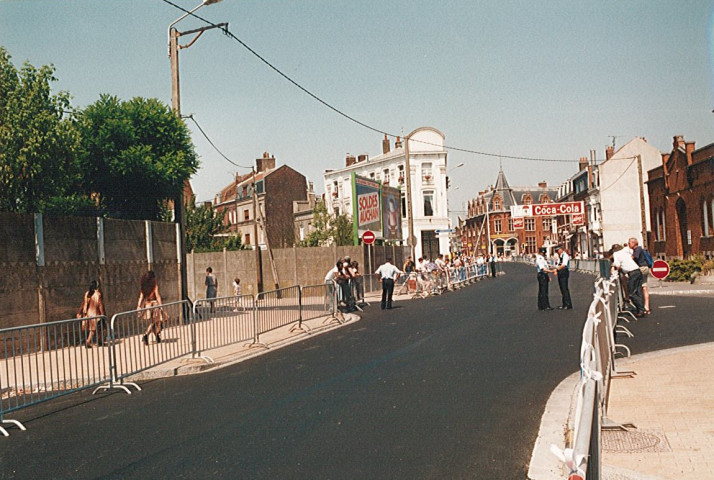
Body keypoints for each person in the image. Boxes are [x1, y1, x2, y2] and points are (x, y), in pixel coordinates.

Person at [609, 243, 646, 317]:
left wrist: (613, 267)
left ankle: (641, 309)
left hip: (632, 273)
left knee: (631, 293)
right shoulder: (625, 252)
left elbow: (617, 265)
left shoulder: (616, 254)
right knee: (638, 292)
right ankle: (640, 310)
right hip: (637, 271)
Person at [76, 280, 105, 348]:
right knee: (93, 329)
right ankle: (88, 342)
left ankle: (100, 341)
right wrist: (102, 314)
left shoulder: (87, 293)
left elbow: (83, 304)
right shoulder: (97, 294)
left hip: (87, 313)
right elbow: (100, 305)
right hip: (95, 313)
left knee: (98, 328)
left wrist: (79, 312)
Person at [137, 270, 164, 345]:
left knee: (153, 322)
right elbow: (158, 296)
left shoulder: (144, 287)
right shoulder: (154, 286)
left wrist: (139, 306)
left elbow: (141, 297)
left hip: (147, 305)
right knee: (154, 321)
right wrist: (161, 306)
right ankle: (146, 335)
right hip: (155, 304)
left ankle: (157, 337)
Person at [629, 237, 652, 315]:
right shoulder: (640, 249)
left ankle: (641, 307)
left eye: (630, 242)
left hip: (641, 268)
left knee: (638, 287)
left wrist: (627, 259)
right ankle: (647, 307)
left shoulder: (637, 249)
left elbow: (635, 257)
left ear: (634, 243)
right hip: (645, 267)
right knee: (644, 287)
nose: (629, 244)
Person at [554, 245, 573, 310]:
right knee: (562, 288)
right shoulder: (560, 256)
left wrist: (556, 269)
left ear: (561, 249)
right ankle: (564, 304)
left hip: (564, 271)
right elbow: (558, 264)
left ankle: (568, 304)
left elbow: (564, 265)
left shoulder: (565, 255)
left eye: (557, 250)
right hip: (560, 272)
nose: (557, 252)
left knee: (564, 288)